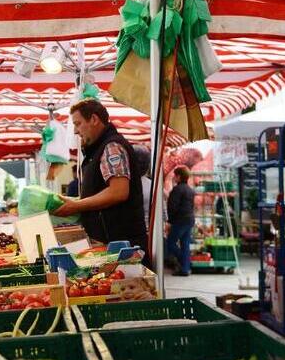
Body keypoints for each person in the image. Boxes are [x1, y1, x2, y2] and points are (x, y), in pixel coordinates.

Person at [52, 99, 148, 264]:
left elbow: (118, 192)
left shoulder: (112, 147)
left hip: (122, 248)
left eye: (78, 123)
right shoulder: (99, 149)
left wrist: (77, 206)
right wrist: (77, 202)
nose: (75, 131)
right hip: (110, 246)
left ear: (94, 120)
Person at [166, 166, 196, 277]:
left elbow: (172, 207)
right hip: (189, 219)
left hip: (180, 220)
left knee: (170, 243)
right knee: (185, 244)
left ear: (179, 176)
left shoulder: (177, 190)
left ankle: (185, 263)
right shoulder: (190, 190)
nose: (174, 177)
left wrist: (169, 221)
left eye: (175, 175)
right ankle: (185, 268)